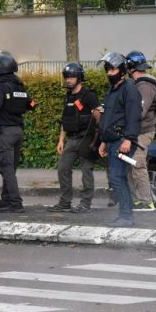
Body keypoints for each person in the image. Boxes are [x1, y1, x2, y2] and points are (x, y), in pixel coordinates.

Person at [0, 51, 35, 213]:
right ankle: (6, 200)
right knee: (10, 167)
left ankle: (15, 203)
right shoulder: (20, 85)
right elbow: (31, 104)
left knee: (6, 168)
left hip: (5, 132)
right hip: (18, 130)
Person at [97, 52, 142, 227]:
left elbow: (133, 117)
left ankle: (126, 216)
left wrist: (128, 139)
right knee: (118, 177)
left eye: (113, 69)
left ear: (122, 70)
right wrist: (103, 140)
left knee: (117, 177)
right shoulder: (112, 90)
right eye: (107, 70)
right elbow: (108, 117)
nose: (109, 73)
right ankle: (126, 214)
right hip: (112, 141)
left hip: (122, 140)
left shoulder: (129, 89)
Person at [48, 62, 100, 213]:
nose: (68, 80)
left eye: (72, 77)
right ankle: (65, 202)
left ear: (79, 78)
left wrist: (98, 139)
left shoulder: (89, 95)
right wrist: (61, 140)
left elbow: (98, 117)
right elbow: (66, 120)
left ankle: (85, 203)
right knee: (63, 168)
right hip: (71, 139)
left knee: (86, 171)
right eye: (67, 77)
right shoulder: (68, 96)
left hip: (87, 139)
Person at [125, 51, 156, 211]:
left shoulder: (145, 86)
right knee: (129, 164)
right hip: (135, 132)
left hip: (142, 132)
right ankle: (137, 200)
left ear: (130, 67)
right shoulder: (138, 83)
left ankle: (147, 202)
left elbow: (139, 111)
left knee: (138, 164)